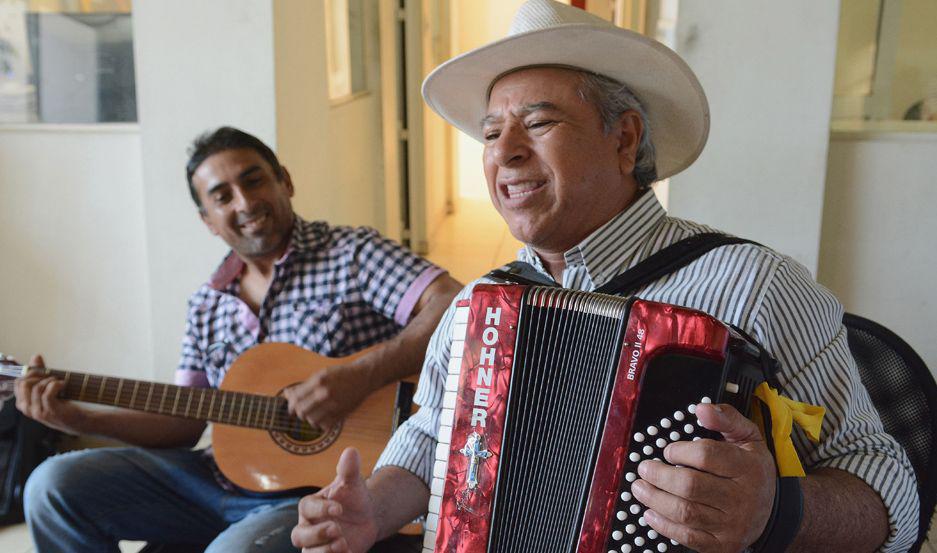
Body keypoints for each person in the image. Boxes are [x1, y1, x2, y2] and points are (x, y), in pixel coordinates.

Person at [290, 2, 919, 552]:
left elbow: (891, 496)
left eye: (537, 123)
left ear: (625, 140)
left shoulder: (757, 286)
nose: (505, 150)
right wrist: (371, 509)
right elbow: (435, 437)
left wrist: (774, 513)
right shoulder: (476, 306)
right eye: (490, 132)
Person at [14, 126, 462, 552]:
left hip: (319, 491)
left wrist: (359, 376)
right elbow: (185, 421)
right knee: (52, 486)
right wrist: (84, 421)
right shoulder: (207, 304)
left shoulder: (351, 254)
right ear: (208, 220)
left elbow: (453, 302)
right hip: (212, 479)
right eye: (222, 196)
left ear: (284, 181)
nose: (245, 202)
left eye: (254, 181)